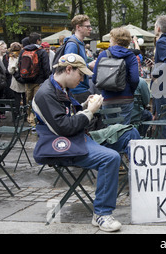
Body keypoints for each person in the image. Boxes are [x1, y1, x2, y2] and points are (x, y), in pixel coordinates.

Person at [32, 54, 132, 232]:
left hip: (78, 137)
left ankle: (143, 189)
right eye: (81, 74)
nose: (83, 79)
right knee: (110, 158)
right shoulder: (45, 93)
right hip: (64, 145)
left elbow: (68, 116)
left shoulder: (59, 88)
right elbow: (64, 128)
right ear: (69, 69)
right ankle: (102, 213)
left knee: (128, 132)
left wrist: (86, 105)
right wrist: (90, 112)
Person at [92, 27, 139, 125]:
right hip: (125, 98)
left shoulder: (103, 55)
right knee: (123, 129)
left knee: (110, 129)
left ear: (113, 39)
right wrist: (130, 91)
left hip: (108, 98)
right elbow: (135, 79)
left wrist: (106, 87)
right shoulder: (131, 56)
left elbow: (94, 78)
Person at [18, 32, 51, 130]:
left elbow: (19, 65)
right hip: (39, 81)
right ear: (38, 40)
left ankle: (30, 120)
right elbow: (46, 68)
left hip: (27, 81)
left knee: (28, 102)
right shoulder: (41, 51)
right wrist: (46, 80)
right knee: (37, 102)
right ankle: (36, 122)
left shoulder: (23, 51)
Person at [62, 14, 94, 104]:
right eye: (87, 26)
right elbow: (69, 67)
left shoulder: (79, 43)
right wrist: (89, 66)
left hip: (80, 89)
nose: (90, 29)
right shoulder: (72, 44)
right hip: (77, 91)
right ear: (78, 27)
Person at [7, 42, 26, 110]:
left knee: (17, 99)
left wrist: (14, 64)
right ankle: (26, 114)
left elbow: (10, 71)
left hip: (16, 80)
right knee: (25, 99)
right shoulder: (25, 55)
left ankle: (17, 115)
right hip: (25, 79)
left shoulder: (12, 57)